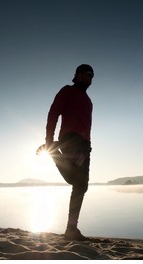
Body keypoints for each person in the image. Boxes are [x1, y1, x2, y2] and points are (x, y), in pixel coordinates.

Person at [44, 64, 94, 241]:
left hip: (84, 145)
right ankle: (53, 153)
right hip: (71, 140)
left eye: (92, 76)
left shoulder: (88, 101)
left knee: (81, 185)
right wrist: (49, 139)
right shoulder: (67, 91)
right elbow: (53, 113)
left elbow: (87, 127)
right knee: (77, 182)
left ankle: (71, 229)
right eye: (87, 74)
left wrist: (88, 145)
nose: (90, 78)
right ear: (78, 75)